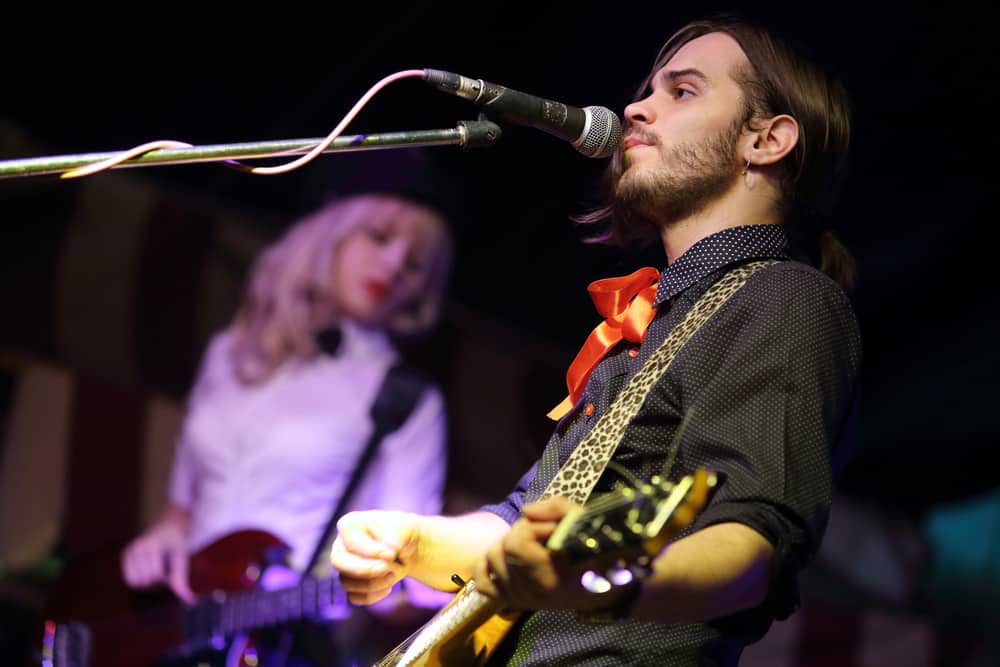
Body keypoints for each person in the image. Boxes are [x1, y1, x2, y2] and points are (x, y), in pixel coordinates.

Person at [330, 14, 862, 666]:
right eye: (648, 90)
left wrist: (589, 575)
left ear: (767, 139)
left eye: (683, 91)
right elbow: (527, 522)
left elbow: (750, 549)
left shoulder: (787, 298)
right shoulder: (652, 324)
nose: (637, 106)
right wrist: (414, 542)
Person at [120, 190, 454, 666]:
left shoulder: (408, 399)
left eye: (417, 263)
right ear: (331, 235)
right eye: (379, 237)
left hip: (282, 644)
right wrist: (161, 539)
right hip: (178, 628)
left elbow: (408, 570)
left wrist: (439, 578)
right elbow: (181, 513)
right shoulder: (228, 353)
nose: (395, 264)